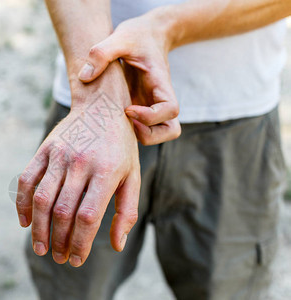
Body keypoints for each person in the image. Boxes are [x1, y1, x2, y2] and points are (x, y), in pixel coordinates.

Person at [16, 0, 290, 299]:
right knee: (70, 287)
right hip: (93, 111)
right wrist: (100, 94)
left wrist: (166, 27)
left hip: (238, 115)